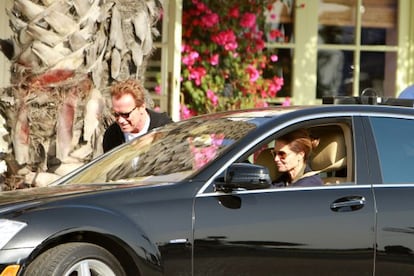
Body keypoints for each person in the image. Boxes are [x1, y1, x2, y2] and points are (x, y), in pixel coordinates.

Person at [103, 79, 173, 152]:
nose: (121, 120)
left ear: (142, 107)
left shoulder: (165, 128)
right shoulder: (112, 135)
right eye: (116, 114)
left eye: (126, 114)